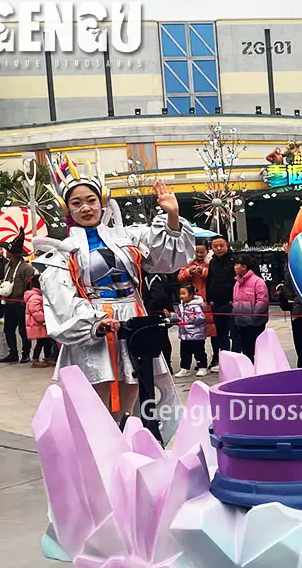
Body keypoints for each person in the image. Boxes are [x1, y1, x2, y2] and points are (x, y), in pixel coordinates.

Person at [35, 155, 195, 441]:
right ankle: (101, 454)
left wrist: (172, 215)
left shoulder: (128, 237)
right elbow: (61, 297)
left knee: (134, 392)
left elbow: (165, 258)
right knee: (96, 399)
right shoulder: (62, 251)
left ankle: (128, 450)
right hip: (95, 331)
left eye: (91, 200)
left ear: (102, 201)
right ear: (67, 209)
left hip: (133, 323)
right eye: (77, 203)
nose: (86, 207)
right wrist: (94, 322)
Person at [178, 242, 218, 366]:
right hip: (191, 302)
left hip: (207, 302)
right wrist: (189, 272)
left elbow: (213, 275)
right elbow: (180, 277)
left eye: (202, 252)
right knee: (193, 333)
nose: (199, 254)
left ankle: (215, 358)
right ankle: (198, 361)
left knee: (213, 332)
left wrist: (203, 271)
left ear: (207, 251)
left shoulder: (211, 263)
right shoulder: (188, 264)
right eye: (197, 252)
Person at [278, 235, 302, 368]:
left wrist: (297, 311)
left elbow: (301, 288)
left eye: (285, 243)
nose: (284, 247)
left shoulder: (297, 262)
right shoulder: (289, 261)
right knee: (299, 339)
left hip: (299, 307)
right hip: (293, 305)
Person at [0, 230, 35, 364]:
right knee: (8, 329)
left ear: (13, 254)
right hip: (9, 303)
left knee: (23, 330)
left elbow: (30, 286)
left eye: (7, 250)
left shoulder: (26, 268)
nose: (5, 252)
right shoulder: (7, 266)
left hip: (21, 303)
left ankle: (26, 353)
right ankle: (12, 353)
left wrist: (26, 301)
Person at [206, 236, 239, 370]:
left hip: (231, 303)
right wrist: (209, 299)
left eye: (221, 245)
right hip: (216, 303)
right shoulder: (212, 262)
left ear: (227, 245)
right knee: (221, 334)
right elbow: (209, 281)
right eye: (215, 246)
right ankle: (224, 361)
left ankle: (236, 360)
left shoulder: (234, 260)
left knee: (235, 333)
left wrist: (234, 299)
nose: (219, 249)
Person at [232, 253, 269, 362]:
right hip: (241, 322)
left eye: (237, 264)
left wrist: (253, 316)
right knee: (246, 349)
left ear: (244, 267)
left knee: (255, 349)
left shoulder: (258, 282)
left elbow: (262, 301)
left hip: (255, 323)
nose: (234, 267)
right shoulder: (237, 283)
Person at [174, 285, 208, 378]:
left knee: (199, 351)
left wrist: (194, 318)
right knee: (184, 352)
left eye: (184, 294)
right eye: (180, 294)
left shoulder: (196, 305)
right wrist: (170, 316)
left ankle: (202, 367)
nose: (181, 296)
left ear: (191, 295)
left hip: (196, 334)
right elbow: (179, 317)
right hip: (184, 335)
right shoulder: (181, 306)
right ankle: (184, 368)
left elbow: (202, 318)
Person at [24, 274, 57, 368]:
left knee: (47, 342)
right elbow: (36, 312)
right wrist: (45, 318)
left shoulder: (39, 296)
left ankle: (48, 358)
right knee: (40, 343)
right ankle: (35, 359)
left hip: (42, 326)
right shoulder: (35, 297)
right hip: (38, 325)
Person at [142, 272, 174, 370]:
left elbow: (159, 296)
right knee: (162, 338)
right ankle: (163, 364)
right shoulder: (160, 276)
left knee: (161, 339)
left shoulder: (154, 278)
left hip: (156, 313)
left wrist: (149, 309)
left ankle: (165, 364)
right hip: (158, 312)